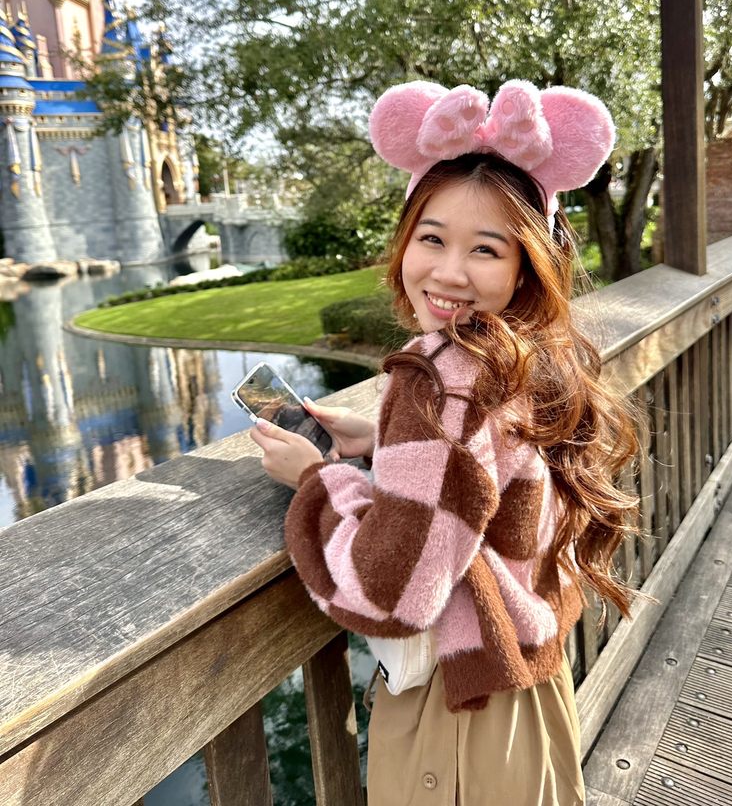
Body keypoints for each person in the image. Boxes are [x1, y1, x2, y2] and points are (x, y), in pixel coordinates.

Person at [249, 79, 640, 805]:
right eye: (432, 238)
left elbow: (390, 592)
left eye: (485, 249)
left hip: (458, 714)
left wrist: (316, 482)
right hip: (526, 687)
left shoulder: (441, 380)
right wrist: (383, 442)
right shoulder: (523, 354)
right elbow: (484, 475)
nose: (449, 272)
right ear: (406, 239)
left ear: (526, 264)